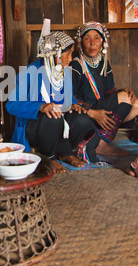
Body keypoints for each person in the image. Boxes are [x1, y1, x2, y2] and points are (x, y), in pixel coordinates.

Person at [6, 31, 103, 170]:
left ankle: (65, 152)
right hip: (36, 127)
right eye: (68, 54)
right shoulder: (29, 72)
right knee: (53, 117)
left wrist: (74, 105)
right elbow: (11, 105)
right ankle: (48, 157)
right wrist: (40, 106)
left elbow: (69, 99)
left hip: (58, 126)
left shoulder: (64, 73)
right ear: (55, 55)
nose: (70, 59)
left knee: (82, 119)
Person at [71, 21, 138, 155]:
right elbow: (70, 99)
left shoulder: (103, 62)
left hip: (103, 113)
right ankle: (100, 144)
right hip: (87, 115)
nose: (92, 43)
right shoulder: (76, 65)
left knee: (135, 104)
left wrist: (124, 91)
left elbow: (110, 91)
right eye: (87, 38)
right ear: (81, 42)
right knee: (126, 98)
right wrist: (92, 112)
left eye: (96, 38)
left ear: (103, 42)